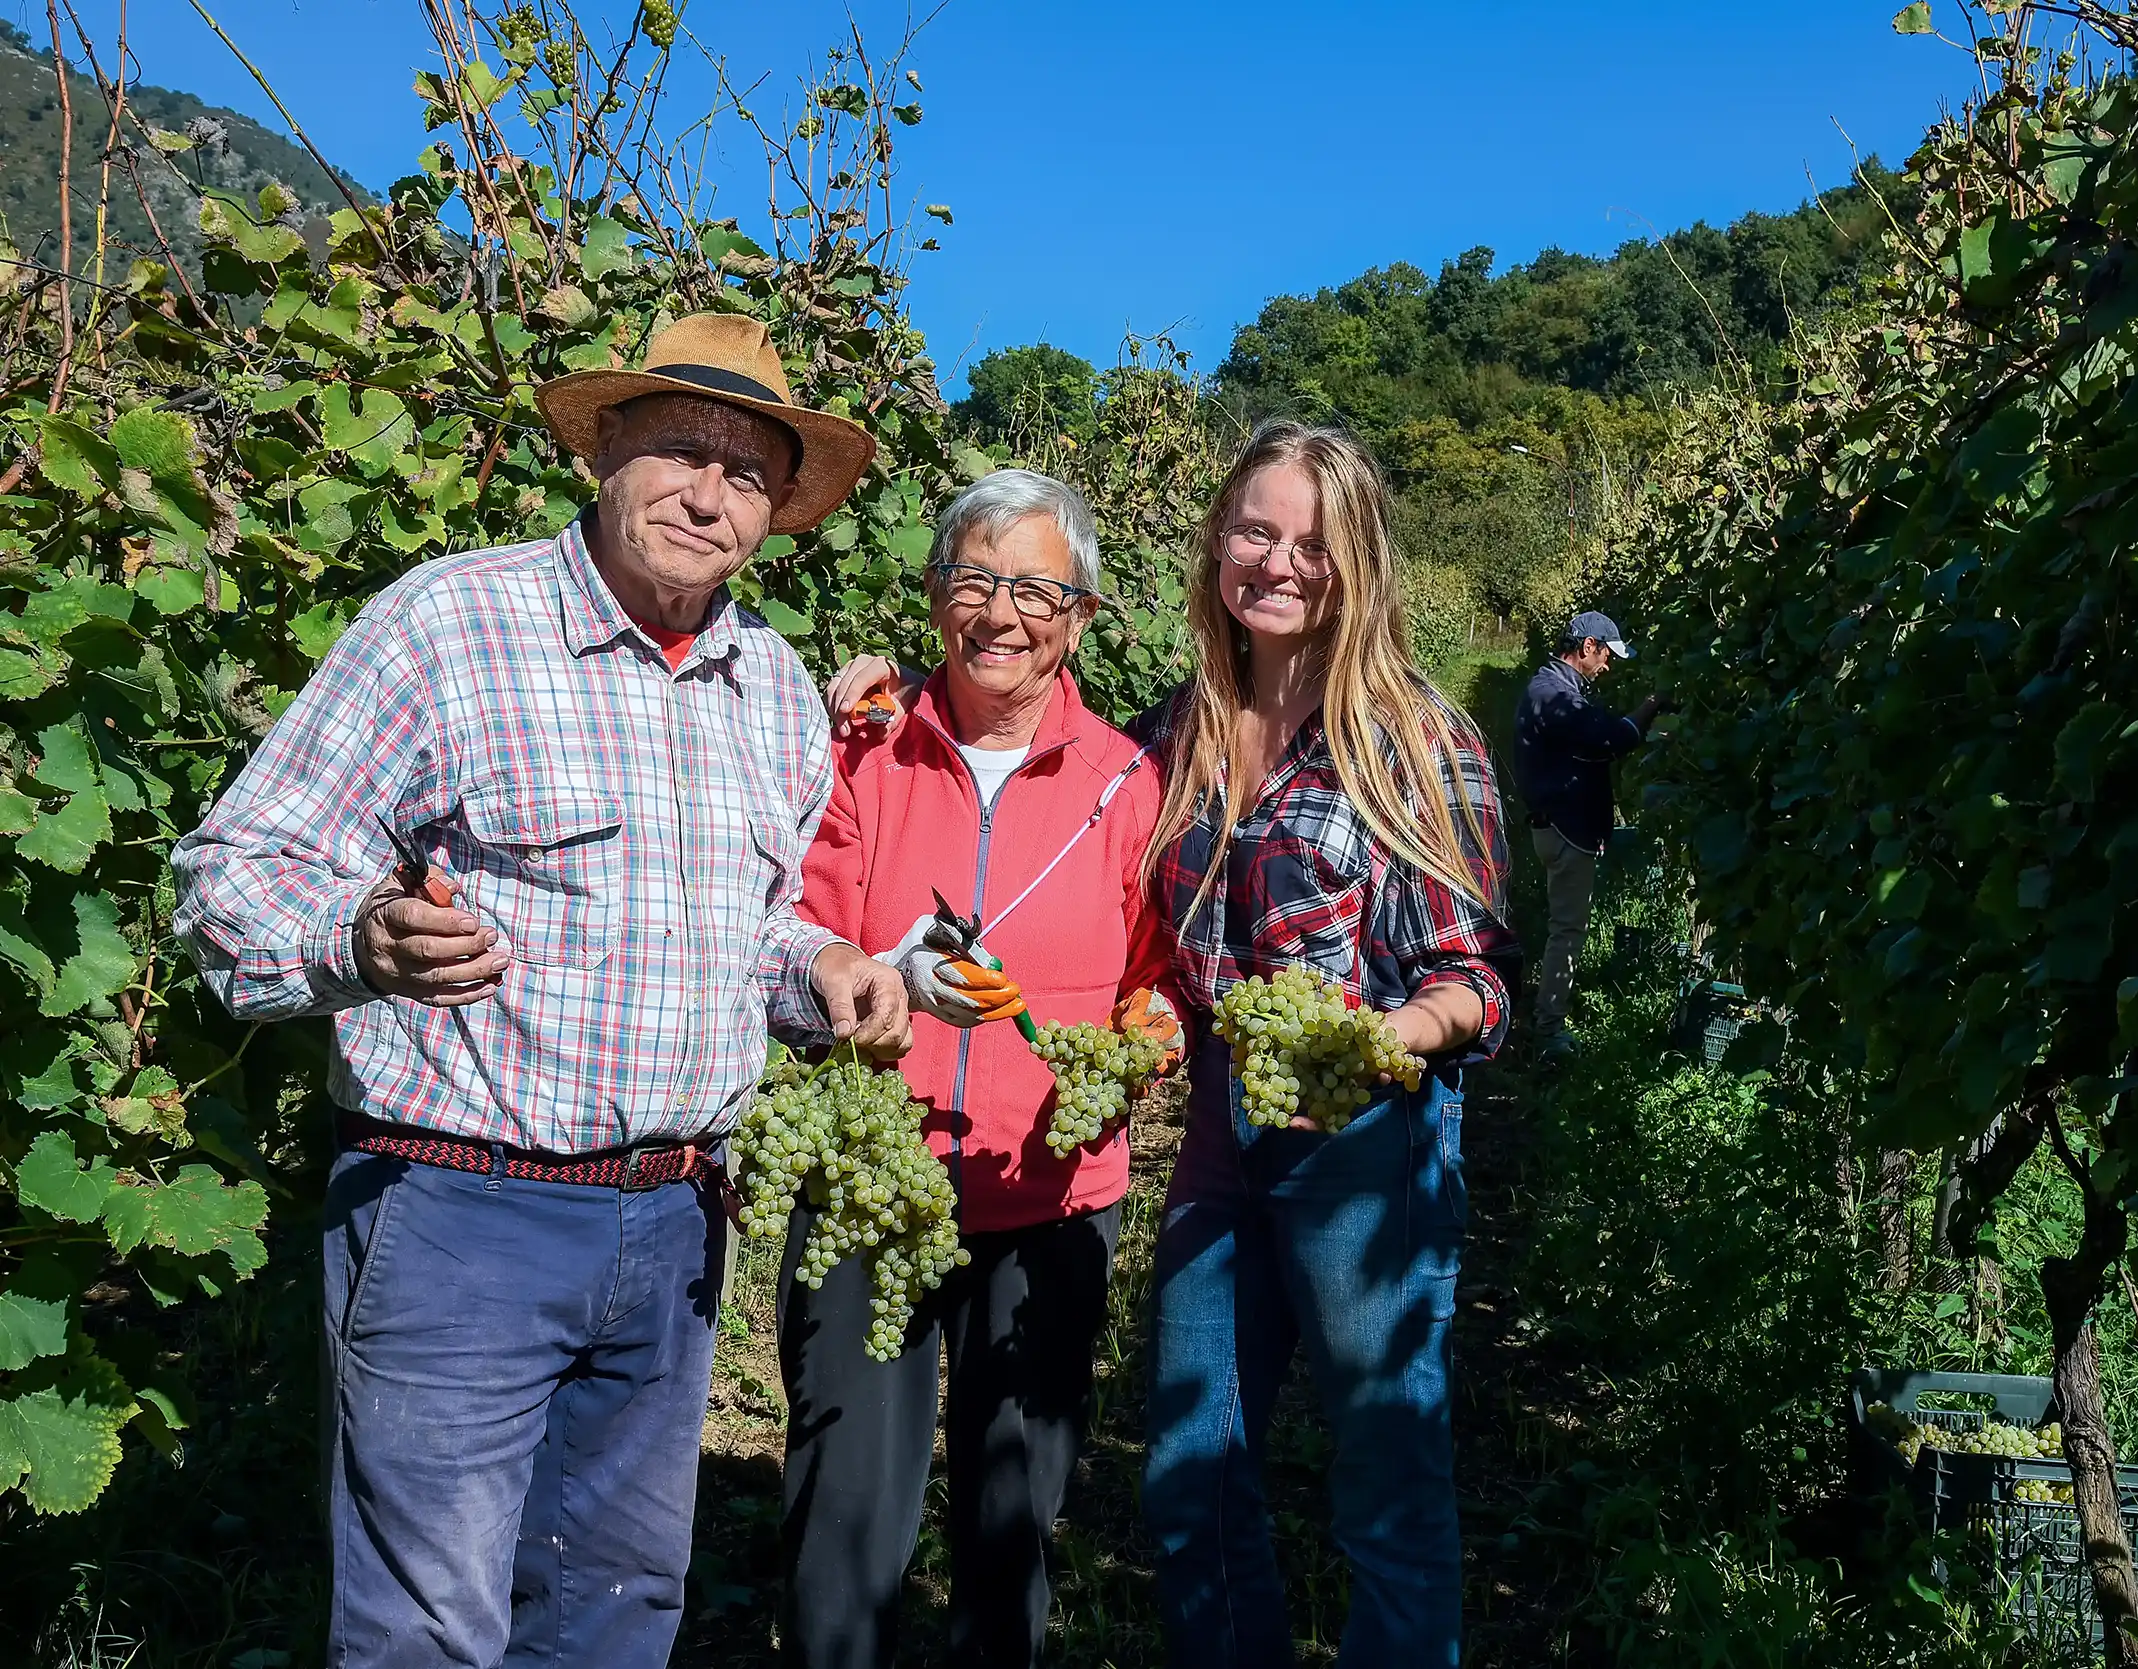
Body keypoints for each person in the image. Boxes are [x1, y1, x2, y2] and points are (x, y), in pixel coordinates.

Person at [170, 314, 914, 1669]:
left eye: (748, 474)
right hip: (463, 1214)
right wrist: (360, 940)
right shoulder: (451, 625)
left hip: (678, 1225)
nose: (708, 494)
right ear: (606, 448)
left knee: (612, 1613)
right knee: (428, 1631)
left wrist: (819, 965)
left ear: (776, 513)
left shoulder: (771, 685)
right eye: (680, 450)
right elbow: (233, 874)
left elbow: (744, 929)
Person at [1134, 419, 1515, 1667]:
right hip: (1219, 1124)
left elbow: (1474, 980)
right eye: (1256, 531)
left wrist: (1382, 1035)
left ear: (1358, 565)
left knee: (1385, 1484)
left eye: (1313, 544)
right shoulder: (1175, 729)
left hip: (1363, 1136)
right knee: (1189, 1472)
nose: (1279, 564)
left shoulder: (1414, 739)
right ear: (1217, 542)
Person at [787, 468, 1180, 1669]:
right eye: (972, 578)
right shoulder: (864, 752)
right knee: (843, 1516)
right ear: (932, 595)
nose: (1000, 613)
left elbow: (1157, 972)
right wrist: (870, 977)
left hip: (1050, 1195)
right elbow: (801, 930)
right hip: (875, 1184)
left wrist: (1144, 1038)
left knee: (1012, 1521)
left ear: (1081, 617)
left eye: (1035, 589)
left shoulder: (1128, 784)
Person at [1512, 610, 1661, 1050]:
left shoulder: (1552, 689)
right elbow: (1613, 738)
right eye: (1606, 655)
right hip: (1566, 828)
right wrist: (1652, 705)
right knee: (1568, 929)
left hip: (1558, 825)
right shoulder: (1556, 697)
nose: (1608, 665)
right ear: (1587, 647)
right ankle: (1548, 1030)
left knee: (1563, 924)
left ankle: (1535, 1008)